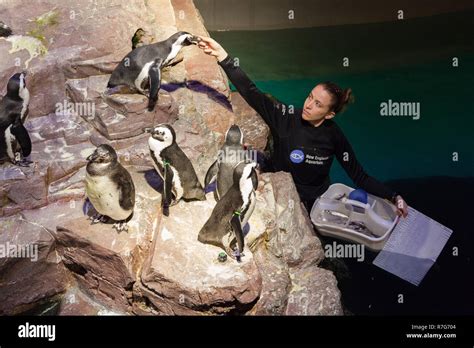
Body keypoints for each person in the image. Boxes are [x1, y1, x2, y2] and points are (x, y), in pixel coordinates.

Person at [196, 36, 408, 218]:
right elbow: (251, 92)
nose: (308, 104)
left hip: (316, 201)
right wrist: (223, 56)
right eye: (310, 97)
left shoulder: (333, 136)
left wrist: (394, 196)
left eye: (318, 104)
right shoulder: (285, 117)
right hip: (282, 189)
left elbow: (359, 176)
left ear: (330, 114)